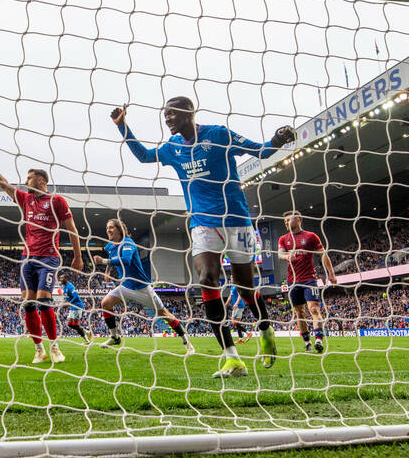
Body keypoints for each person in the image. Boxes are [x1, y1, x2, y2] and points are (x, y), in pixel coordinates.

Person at [111, 98, 294, 378]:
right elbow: (144, 156)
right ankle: (232, 359)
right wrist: (123, 126)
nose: (167, 119)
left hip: (237, 222)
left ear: (189, 113)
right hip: (202, 225)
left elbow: (261, 151)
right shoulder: (173, 148)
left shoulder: (218, 134)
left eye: (172, 114)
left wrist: (278, 139)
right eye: (165, 115)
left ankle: (266, 329)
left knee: (245, 289)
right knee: (207, 278)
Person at [0, 146, 83, 364]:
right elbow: (4, 185)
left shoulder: (56, 201)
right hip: (26, 258)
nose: (25, 181)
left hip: (48, 257)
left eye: (29, 178)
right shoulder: (26, 200)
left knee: (43, 302)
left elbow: (71, 229)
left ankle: (55, 346)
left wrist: (78, 256)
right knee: (28, 305)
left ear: (41, 180)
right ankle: (39, 349)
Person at [93, 219, 194, 355]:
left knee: (164, 314)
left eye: (111, 227)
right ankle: (115, 337)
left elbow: (127, 260)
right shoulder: (109, 246)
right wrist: (108, 271)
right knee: (105, 303)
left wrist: (103, 261)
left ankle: (186, 341)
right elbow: (112, 255)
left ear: (119, 229)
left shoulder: (128, 243)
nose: (108, 230)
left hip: (141, 287)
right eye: (107, 228)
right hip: (126, 286)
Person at [278, 210, 337, 353]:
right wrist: (287, 256)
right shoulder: (283, 239)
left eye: (288, 220)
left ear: (298, 219)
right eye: (284, 221)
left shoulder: (311, 237)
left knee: (314, 309)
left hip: (309, 279)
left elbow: (323, 254)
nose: (286, 223)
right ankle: (307, 342)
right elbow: (280, 253)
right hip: (293, 282)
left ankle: (318, 340)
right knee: (299, 313)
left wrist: (331, 273)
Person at [57, 272, 91, 344]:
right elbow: (66, 297)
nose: (60, 280)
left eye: (62, 278)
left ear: (66, 279)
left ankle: (86, 340)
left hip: (77, 306)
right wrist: (63, 302)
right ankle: (87, 332)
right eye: (60, 278)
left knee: (74, 325)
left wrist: (68, 303)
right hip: (73, 307)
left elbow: (75, 296)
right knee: (69, 324)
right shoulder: (64, 287)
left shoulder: (70, 286)